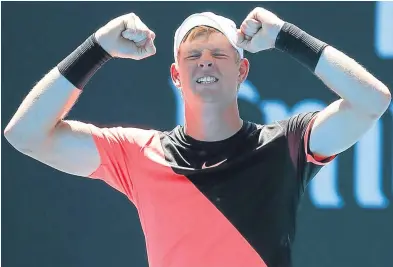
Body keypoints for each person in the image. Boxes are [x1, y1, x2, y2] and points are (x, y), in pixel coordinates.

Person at [4, 7, 391, 267]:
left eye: (219, 55)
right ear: (176, 75)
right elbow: (25, 135)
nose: (205, 60)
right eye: (194, 56)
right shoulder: (138, 153)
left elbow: (372, 100)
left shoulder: (285, 144)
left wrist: (288, 36)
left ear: (242, 70)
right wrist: (98, 48)